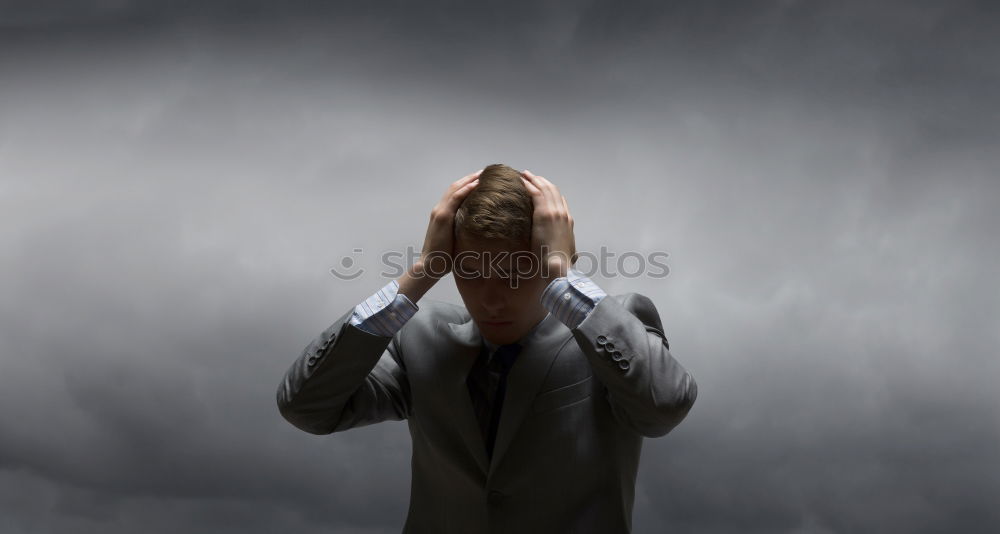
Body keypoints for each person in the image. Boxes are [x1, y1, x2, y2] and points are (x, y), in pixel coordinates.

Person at [276, 163, 698, 533]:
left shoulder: (612, 328)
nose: (492, 299)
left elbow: (663, 407)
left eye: (517, 272)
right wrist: (422, 273)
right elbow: (307, 407)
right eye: (470, 271)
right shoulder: (421, 338)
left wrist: (563, 276)